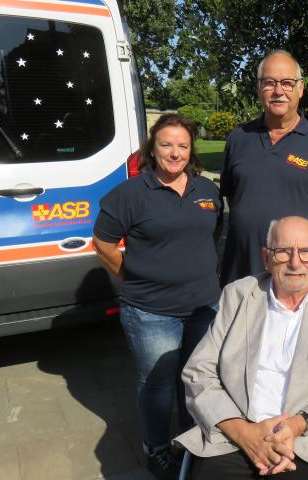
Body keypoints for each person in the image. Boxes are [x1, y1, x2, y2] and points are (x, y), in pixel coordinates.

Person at [175, 216, 308, 479]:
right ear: (266, 258)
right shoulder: (239, 295)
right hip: (233, 437)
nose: (295, 263)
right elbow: (198, 373)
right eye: (283, 252)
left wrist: (298, 424)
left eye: (306, 252)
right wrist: (244, 433)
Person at [92, 114, 222, 479]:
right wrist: (133, 278)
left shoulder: (207, 190)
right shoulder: (130, 194)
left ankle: (191, 442)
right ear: (153, 148)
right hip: (151, 312)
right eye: (166, 145)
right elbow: (102, 244)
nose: (175, 153)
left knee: (196, 379)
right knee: (158, 383)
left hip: (203, 307)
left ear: (191, 150)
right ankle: (157, 449)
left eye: (183, 145)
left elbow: (212, 235)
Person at [219, 50, 308, 285]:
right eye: (269, 83)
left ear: (301, 88)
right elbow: (232, 198)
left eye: (287, 83)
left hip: (294, 280)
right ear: (259, 88)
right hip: (240, 276)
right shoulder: (238, 139)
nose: (278, 91)